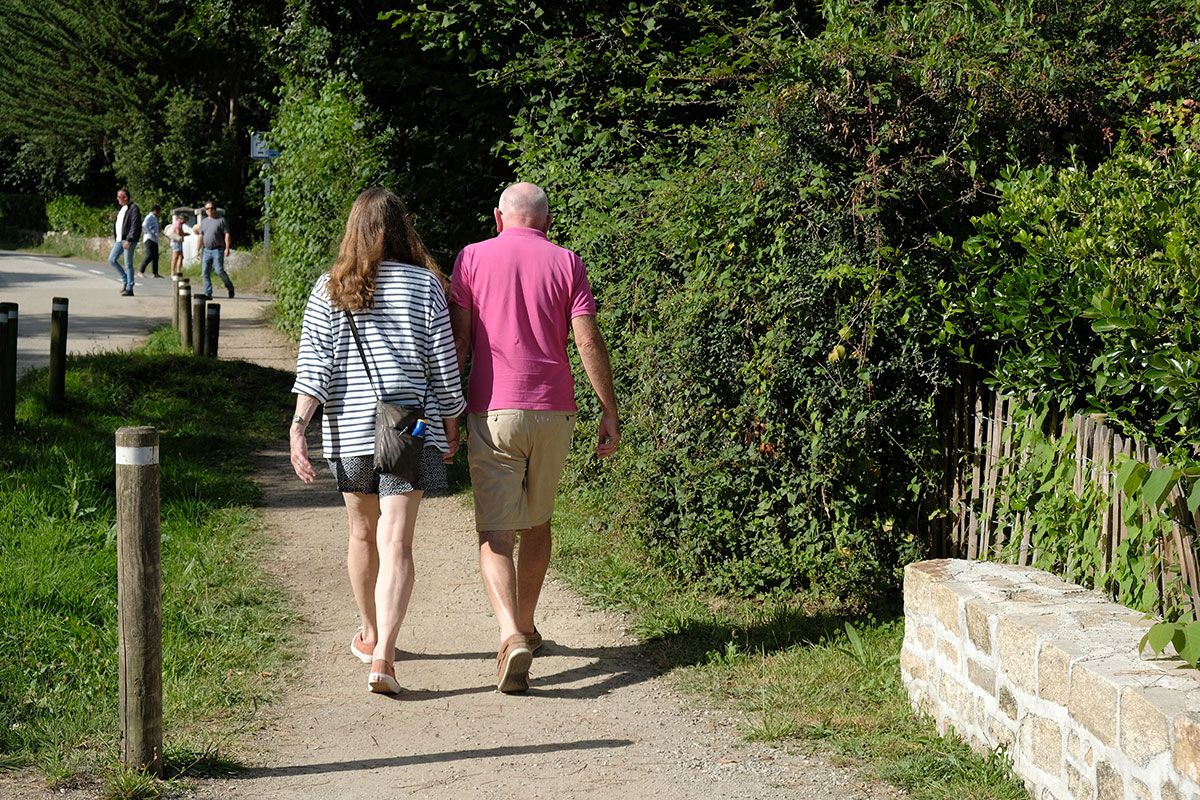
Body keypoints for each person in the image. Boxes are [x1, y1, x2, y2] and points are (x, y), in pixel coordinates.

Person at [289, 187, 466, 695]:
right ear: (400, 229)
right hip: (408, 427)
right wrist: (452, 421)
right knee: (397, 540)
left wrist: (299, 427)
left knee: (362, 534)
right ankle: (384, 654)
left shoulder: (328, 287)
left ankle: (368, 633)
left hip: (347, 431)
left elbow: (314, 368)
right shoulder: (425, 285)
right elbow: (443, 365)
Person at [449, 181, 620, 693]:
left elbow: (460, 341)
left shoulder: (471, 258)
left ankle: (510, 635)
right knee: (539, 523)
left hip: (493, 410)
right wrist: (609, 409)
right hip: (554, 412)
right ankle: (526, 624)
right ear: (547, 222)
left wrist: (449, 411)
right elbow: (587, 339)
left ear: (497, 217)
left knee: (496, 532)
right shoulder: (567, 262)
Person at [197, 201, 235, 299]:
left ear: (215, 209)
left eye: (211, 208)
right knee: (205, 273)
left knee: (219, 271)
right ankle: (208, 292)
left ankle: (229, 286)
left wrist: (227, 248)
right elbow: (201, 236)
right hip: (206, 250)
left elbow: (227, 234)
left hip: (218, 250)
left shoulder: (221, 220)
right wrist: (198, 250)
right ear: (205, 211)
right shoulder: (204, 222)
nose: (209, 210)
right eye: (207, 208)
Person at [108, 189, 141, 296]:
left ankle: (129, 288)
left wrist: (129, 239)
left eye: (119, 197)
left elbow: (135, 226)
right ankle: (126, 280)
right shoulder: (122, 209)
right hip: (119, 240)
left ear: (125, 197)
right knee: (112, 259)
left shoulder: (134, 209)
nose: (117, 199)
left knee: (128, 264)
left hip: (128, 240)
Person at [137, 205, 162, 278]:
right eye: (159, 211)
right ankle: (141, 271)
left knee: (155, 256)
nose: (159, 213)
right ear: (155, 211)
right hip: (149, 238)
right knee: (150, 255)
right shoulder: (149, 217)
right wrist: (151, 232)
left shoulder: (154, 218)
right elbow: (144, 225)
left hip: (154, 239)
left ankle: (155, 273)